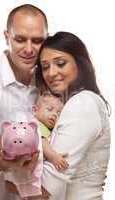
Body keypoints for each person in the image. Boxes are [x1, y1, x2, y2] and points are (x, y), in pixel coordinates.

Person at [0, 4, 48, 200]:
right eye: (20, 39)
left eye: (37, 41)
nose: (29, 49)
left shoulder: (49, 81)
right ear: (6, 36)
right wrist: (0, 161)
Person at [36, 32, 111, 200]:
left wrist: (8, 182)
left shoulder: (82, 103)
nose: (51, 73)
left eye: (60, 63)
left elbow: (49, 186)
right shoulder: (74, 103)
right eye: (45, 67)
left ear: (80, 63)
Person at [33, 92, 68, 171]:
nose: (54, 114)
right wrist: (54, 157)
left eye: (58, 113)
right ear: (35, 110)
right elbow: (42, 142)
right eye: (50, 109)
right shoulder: (37, 125)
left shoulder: (48, 129)